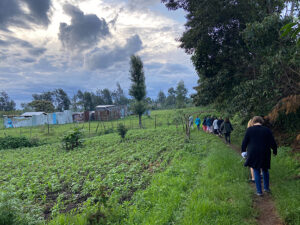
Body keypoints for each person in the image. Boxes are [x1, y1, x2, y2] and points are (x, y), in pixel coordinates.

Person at [241, 116, 277, 196]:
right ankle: (266, 188)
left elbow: (244, 142)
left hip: (253, 152)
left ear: (253, 122)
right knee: (265, 170)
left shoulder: (249, 130)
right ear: (261, 122)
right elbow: (272, 142)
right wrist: (275, 151)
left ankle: (259, 191)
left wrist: (243, 151)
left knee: (256, 170)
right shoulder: (267, 130)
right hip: (265, 152)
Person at [247, 119, 255, 183]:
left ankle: (253, 178)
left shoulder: (248, 131)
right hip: (260, 149)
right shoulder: (260, 130)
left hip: (251, 149)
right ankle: (260, 174)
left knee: (252, 164)